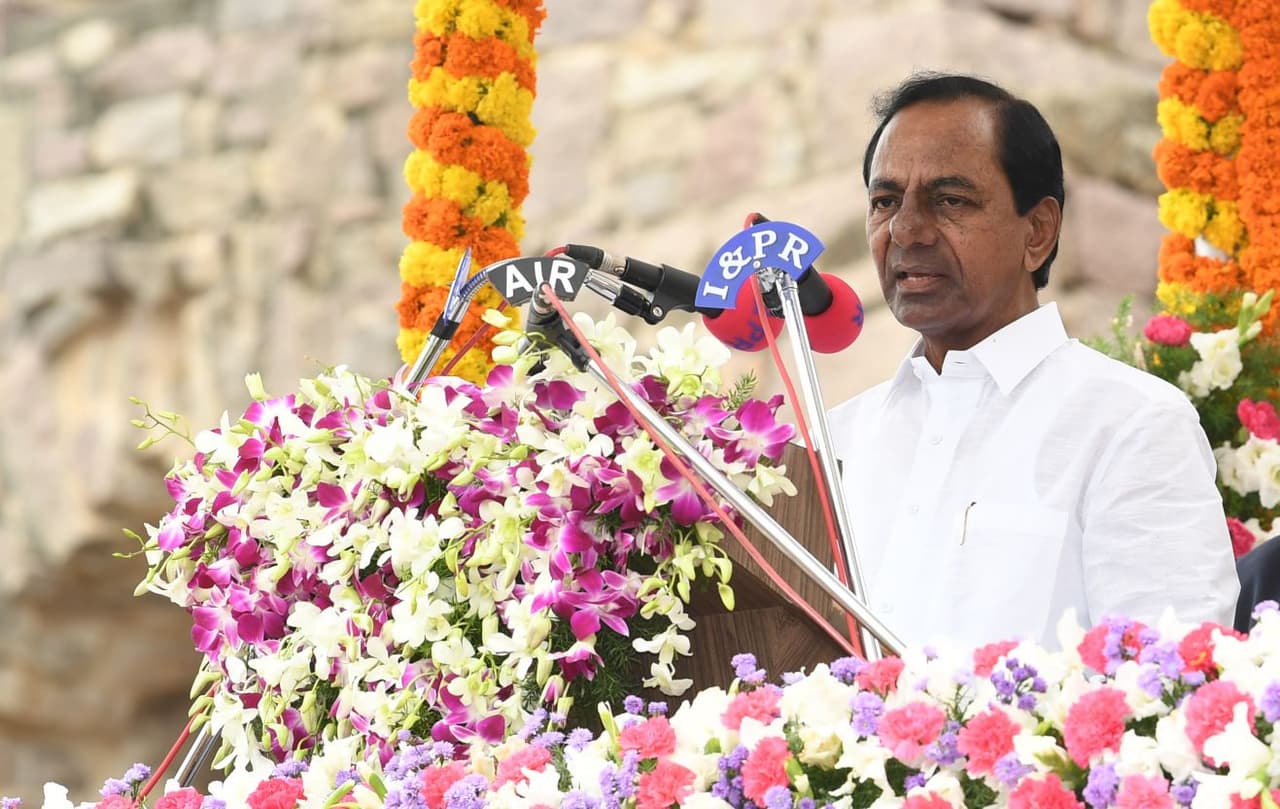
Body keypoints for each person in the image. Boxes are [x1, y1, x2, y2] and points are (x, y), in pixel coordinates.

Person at [827, 73, 1239, 650]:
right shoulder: (834, 444)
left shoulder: (1129, 423)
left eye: (949, 200)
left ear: (1038, 232)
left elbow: (1169, 687)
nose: (906, 230)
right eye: (885, 201)